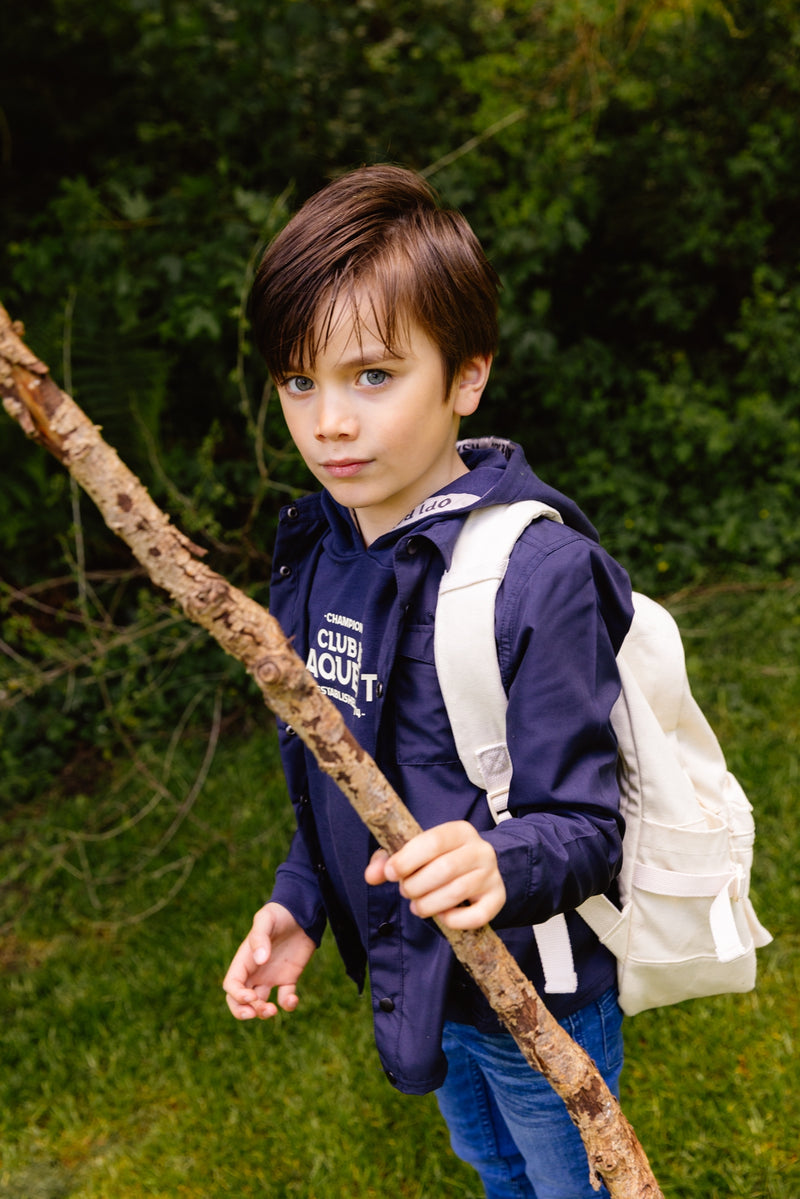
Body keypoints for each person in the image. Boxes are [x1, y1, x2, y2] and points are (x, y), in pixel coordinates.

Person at [223, 164, 634, 1199]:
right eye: (297, 380)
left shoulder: (536, 573)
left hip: (532, 984)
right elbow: (336, 766)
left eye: (371, 375)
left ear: (466, 376)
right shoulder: (319, 555)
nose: (327, 423)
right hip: (415, 978)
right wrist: (298, 898)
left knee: (567, 1179)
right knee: (492, 1166)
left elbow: (586, 821)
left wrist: (499, 859)